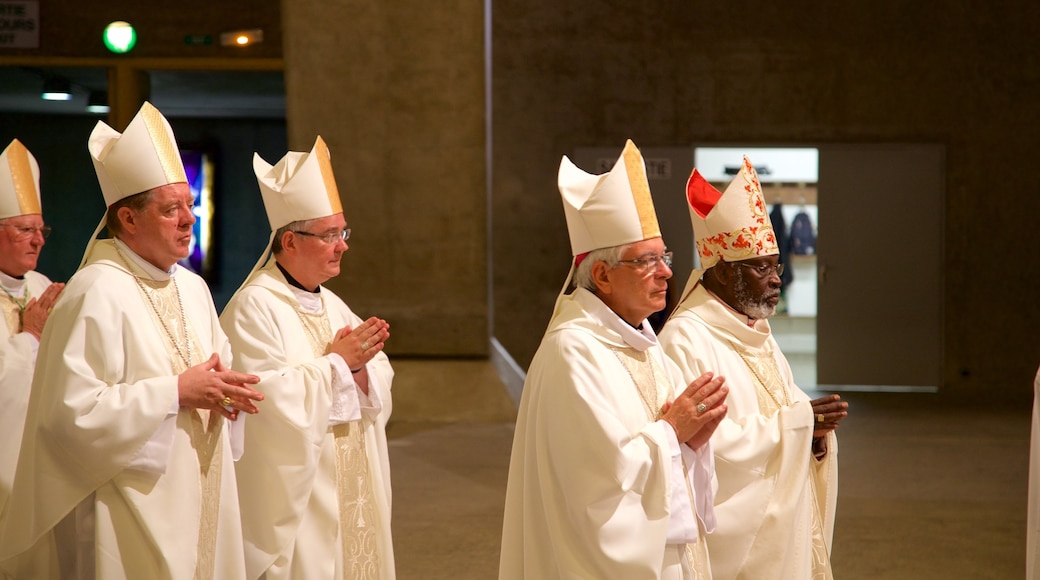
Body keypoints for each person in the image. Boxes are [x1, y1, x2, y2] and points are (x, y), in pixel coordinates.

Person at [0, 102, 264, 580]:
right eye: (171, 210)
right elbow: (71, 414)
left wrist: (227, 390)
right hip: (128, 501)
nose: (188, 219)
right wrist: (175, 392)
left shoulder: (193, 287)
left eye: (189, 205)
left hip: (200, 485)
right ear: (128, 219)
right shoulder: (95, 289)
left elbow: (213, 368)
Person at [499, 140, 728, 579]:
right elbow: (596, 479)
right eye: (647, 261)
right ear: (602, 275)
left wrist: (692, 443)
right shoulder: (573, 350)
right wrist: (674, 432)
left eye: (665, 257)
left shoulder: (645, 344)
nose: (666, 271)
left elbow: (661, 446)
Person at [658, 156, 848, 580]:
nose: (777, 279)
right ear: (723, 273)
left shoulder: (755, 328)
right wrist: (797, 426)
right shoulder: (686, 338)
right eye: (762, 267)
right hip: (736, 544)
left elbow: (784, 401)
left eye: (776, 266)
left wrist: (813, 436)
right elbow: (704, 446)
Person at [220, 136, 395, 580]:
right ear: (291, 242)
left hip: (353, 482)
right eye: (330, 235)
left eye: (343, 232)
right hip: (304, 494)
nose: (343, 246)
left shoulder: (335, 305)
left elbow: (376, 376)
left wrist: (360, 368)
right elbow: (259, 399)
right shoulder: (254, 306)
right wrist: (338, 365)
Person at [0, 139, 65, 536]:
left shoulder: (42, 286)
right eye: (26, 230)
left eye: (42, 230)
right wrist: (31, 336)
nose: (39, 240)